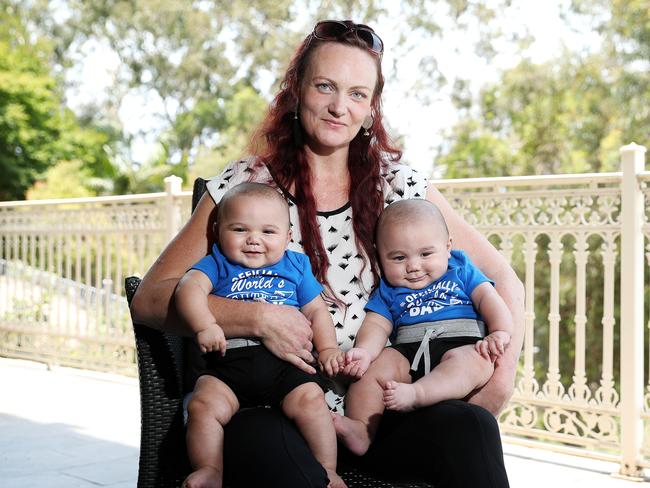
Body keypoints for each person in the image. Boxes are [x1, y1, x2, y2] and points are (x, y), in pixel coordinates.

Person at [131, 19, 524, 487]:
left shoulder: (396, 183)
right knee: (271, 450)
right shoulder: (246, 185)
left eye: (358, 94)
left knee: (471, 428)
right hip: (268, 402)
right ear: (296, 91)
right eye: (325, 86)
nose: (341, 106)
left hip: (374, 413)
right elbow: (149, 298)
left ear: (371, 107)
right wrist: (253, 318)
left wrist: (500, 379)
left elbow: (503, 278)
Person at [175, 182, 347, 487]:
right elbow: (188, 288)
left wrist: (329, 348)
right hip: (229, 364)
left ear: (288, 236)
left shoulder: (295, 265)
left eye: (268, 232)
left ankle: (328, 469)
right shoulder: (217, 263)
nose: (254, 240)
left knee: (312, 401)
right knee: (203, 406)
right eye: (240, 229)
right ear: (218, 231)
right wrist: (205, 324)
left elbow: (317, 311)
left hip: (288, 368)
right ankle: (210, 468)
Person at [333, 199, 513, 456]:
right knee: (373, 371)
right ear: (380, 256)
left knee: (473, 361)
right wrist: (364, 352)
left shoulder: (460, 269)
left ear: (448, 246)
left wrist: (499, 332)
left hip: (461, 344)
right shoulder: (389, 288)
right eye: (398, 258)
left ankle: (417, 394)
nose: (413, 266)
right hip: (409, 353)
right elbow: (377, 324)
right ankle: (362, 429)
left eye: (426, 254)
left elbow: (489, 299)